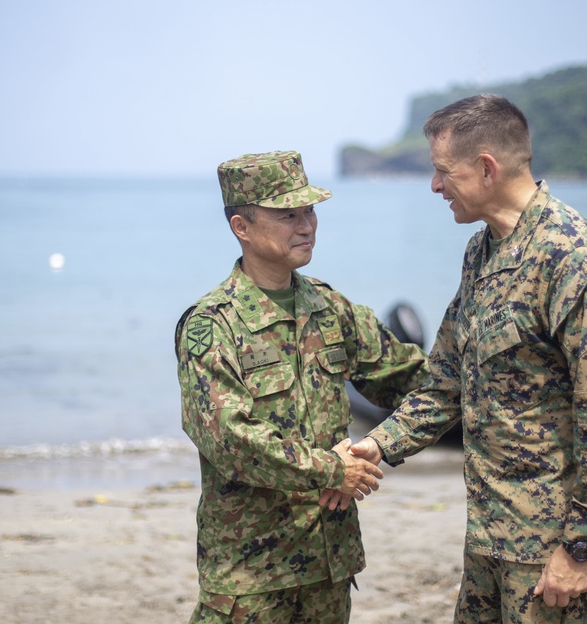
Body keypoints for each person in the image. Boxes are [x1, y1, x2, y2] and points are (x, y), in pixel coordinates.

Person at [345, 95, 587, 623]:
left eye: (443, 172)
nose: (435, 186)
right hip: (491, 534)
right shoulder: (483, 251)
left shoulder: (575, 258)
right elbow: (444, 381)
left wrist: (582, 547)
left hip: (551, 548)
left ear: (486, 168)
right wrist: (376, 444)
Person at [175, 150, 429, 623]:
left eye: (310, 211)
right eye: (287, 214)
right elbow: (229, 439)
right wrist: (333, 471)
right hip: (250, 575)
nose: (306, 225)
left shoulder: (331, 309)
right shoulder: (212, 325)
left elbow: (415, 380)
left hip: (329, 564)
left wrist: (386, 442)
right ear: (242, 227)